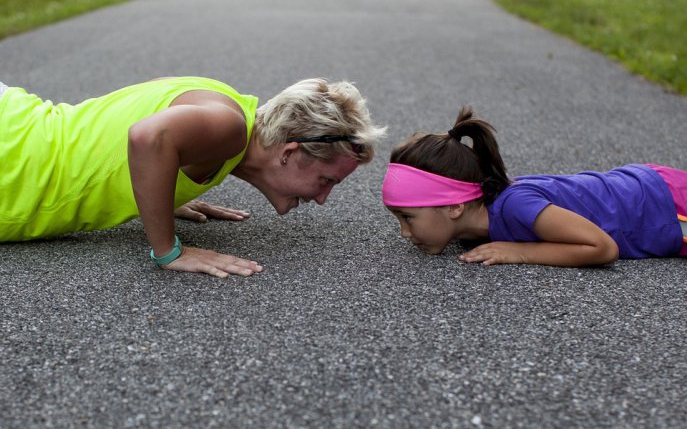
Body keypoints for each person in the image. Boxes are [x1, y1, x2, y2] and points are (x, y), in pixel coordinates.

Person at [0, 76, 386, 277]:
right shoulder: (229, 127)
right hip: (12, 160)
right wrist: (169, 250)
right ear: (290, 152)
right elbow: (147, 136)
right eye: (327, 181)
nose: (323, 198)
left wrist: (159, 189)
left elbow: (132, 114)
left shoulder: (225, 106)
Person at [382, 106, 687, 267]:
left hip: (668, 206)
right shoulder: (475, 225)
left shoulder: (515, 206)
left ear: (454, 205)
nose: (404, 233)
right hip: (650, 186)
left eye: (408, 217)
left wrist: (521, 252)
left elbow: (602, 248)